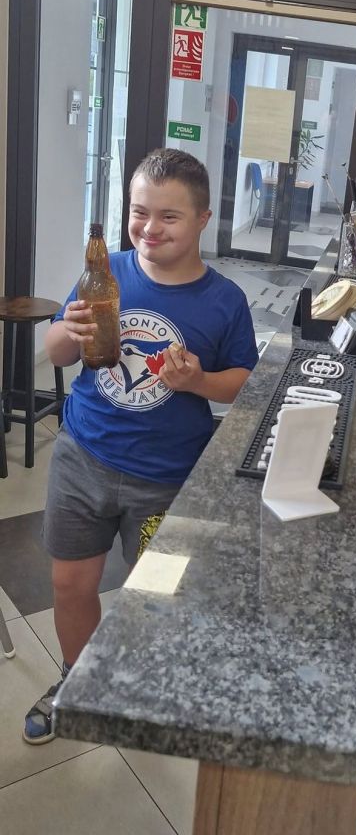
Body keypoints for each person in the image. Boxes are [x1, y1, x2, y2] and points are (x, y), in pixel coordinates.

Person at [24, 149, 258, 744]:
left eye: (168, 216)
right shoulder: (107, 272)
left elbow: (245, 383)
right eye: (139, 211)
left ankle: (148, 688)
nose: (149, 228)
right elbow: (57, 351)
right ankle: (79, 683)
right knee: (70, 584)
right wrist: (68, 331)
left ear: (203, 219)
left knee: (155, 595)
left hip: (168, 478)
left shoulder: (224, 300)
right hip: (83, 458)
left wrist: (197, 381)